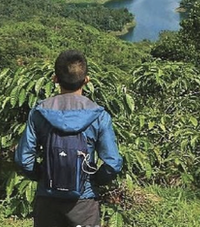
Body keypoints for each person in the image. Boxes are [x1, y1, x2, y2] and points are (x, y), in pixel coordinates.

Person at [15, 49, 123, 227]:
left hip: (47, 201)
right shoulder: (99, 115)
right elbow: (113, 163)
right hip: (84, 202)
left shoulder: (39, 112)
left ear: (55, 79)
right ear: (86, 79)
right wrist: (93, 180)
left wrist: (44, 176)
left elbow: (23, 159)